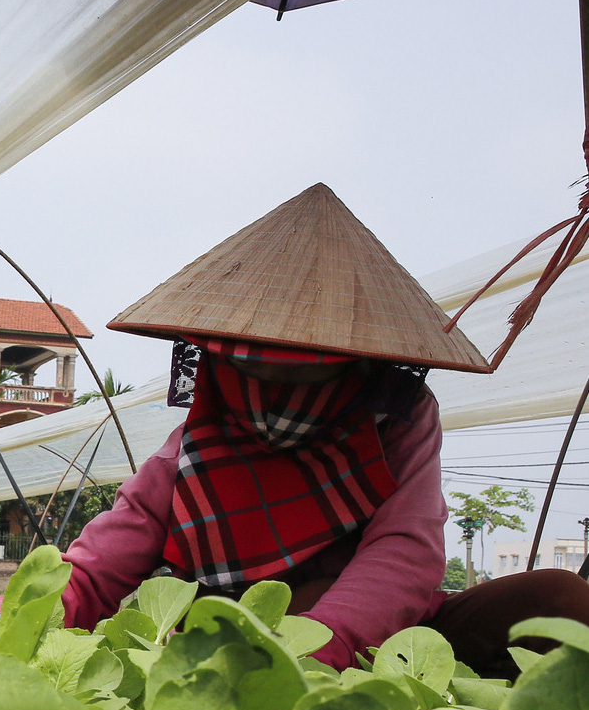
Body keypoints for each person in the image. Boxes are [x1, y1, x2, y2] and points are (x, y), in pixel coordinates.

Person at [64, 184, 589, 680]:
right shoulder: (194, 446)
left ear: (359, 367)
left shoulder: (397, 419)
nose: (276, 402)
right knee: (286, 601)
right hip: (235, 646)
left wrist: (315, 655)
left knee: (559, 602)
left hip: (380, 640)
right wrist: (9, 618)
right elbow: (99, 566)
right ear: (219, 363)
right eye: (256, 375)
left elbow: (403, 554)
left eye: (304, 376)